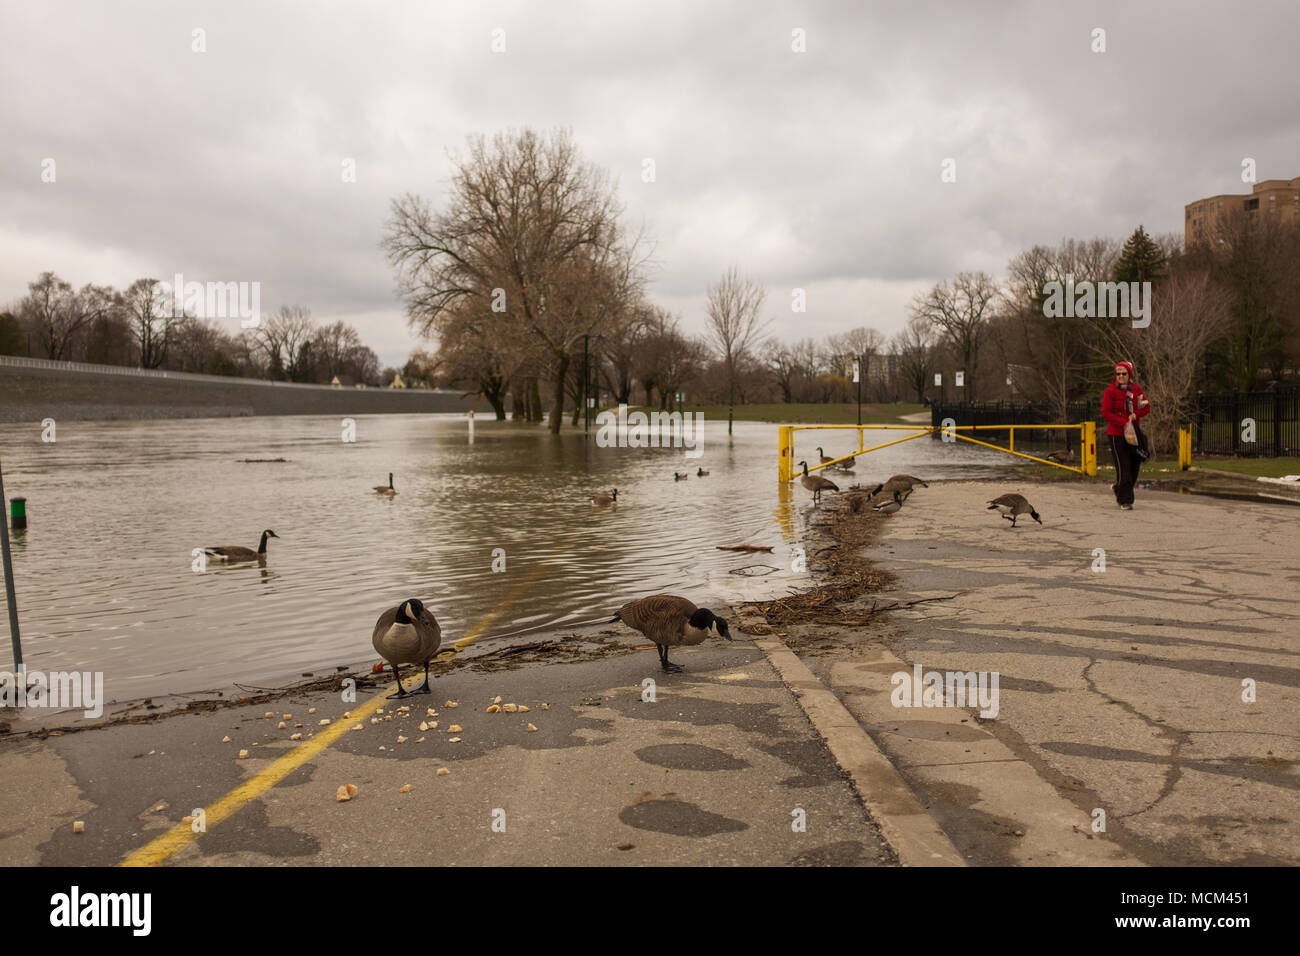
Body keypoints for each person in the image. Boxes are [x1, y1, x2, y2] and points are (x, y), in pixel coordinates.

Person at [1101, 360, 1150, 510]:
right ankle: (1125, 500)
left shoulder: (1136, 390)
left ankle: (1119, 488)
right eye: (1118, 374)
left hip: (1133, 434)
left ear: (1129, 374)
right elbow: (1106, 413)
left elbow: (1146, 407)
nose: (1121, 376)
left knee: (1135, 466)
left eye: (1124, 373)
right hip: (1117, 434)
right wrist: (1123, 422)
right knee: (1124, 468)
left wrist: (1136, 414)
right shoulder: (1110, 391)